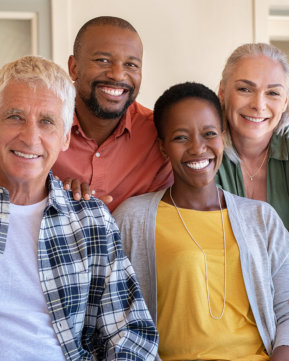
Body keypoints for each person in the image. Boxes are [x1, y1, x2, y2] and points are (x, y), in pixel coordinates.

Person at [113, 82, 289, 360]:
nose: (198, 148)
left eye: (209, 134)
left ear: (222, 137)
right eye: (181, 137)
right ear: (162, 146)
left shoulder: (261, 217)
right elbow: (116, 319)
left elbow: (287, 308)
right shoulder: (133, 219)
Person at [0, 55, 158, 360]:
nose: (30, 137)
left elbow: (130, 335)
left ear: (64, 138)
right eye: (14, 116)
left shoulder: (90, 220)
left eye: (46, 121)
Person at [52, 16, 173, 211]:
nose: (117, 74)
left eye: (131, 65)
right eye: (103, 60)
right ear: (74, 68)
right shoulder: (41, 124)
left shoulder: (158, 134)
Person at [215, 42, 289, 229]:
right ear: (222, 92)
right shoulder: (203, 153)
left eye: (273, 93)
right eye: (245, 89)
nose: (259, 104)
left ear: (285, 102)